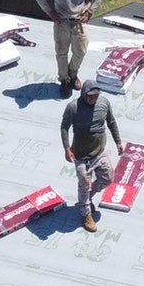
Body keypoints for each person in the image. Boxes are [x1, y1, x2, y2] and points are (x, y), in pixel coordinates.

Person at [31, 0, 103, 92]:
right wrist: (50, 12)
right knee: (61, 52)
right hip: (61, 22)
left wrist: (90, 11)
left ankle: (73, 74)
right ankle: (64, 79)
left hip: (78, 21)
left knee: (81, 51)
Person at [60, 83, 122, 231]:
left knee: (108, 178)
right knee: (84, 183)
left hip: (100, 151)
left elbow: (111, 122)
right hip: (81, 154)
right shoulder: (73, 107)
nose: (93, 99)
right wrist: (67, 148)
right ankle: (86, 213)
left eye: (95, 96)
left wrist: (118, 142)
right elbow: (64, 127)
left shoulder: (104, 103)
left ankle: (87, 196)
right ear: (84, 94)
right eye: (90, 96)